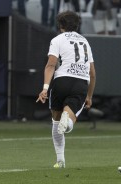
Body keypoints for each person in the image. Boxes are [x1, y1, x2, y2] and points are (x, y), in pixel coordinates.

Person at [36, 11, 96, 168]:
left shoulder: (57, 40)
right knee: (68, 121)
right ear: (77, 25)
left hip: (61, 81)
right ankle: (68, 122)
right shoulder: (85, 42)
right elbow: (93, 73)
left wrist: (44, 88)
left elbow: (50, 65)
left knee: (56, 123)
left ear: (60, 25)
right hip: (81, 83)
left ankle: (60, 160)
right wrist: (89, 95)